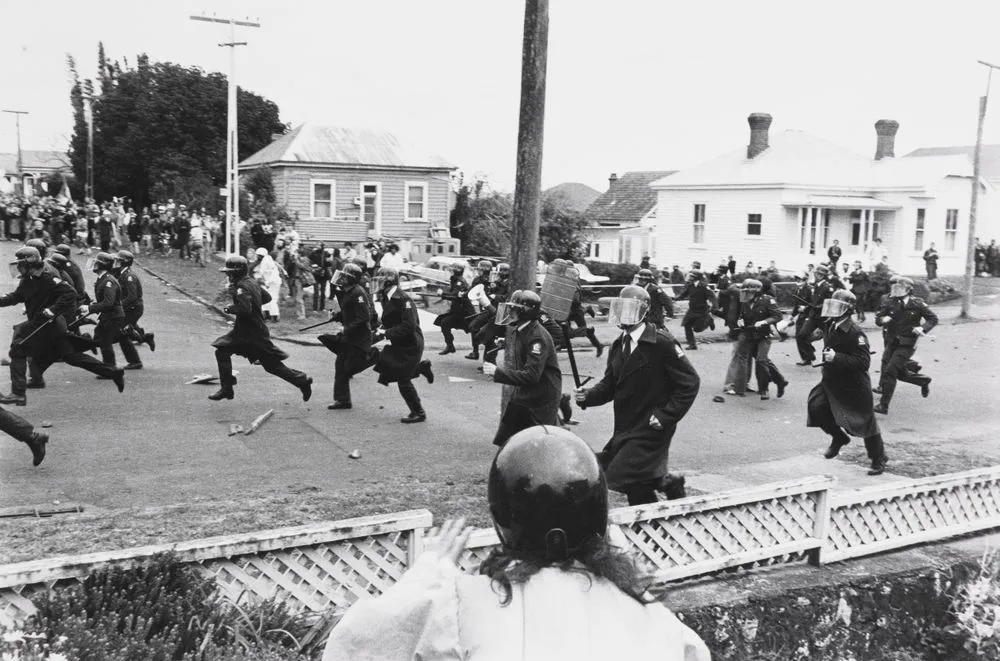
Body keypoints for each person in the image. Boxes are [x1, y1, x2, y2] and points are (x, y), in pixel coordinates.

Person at [321, 426, 711, 661]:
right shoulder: (650, 616)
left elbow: (357, 647)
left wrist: (429, 571)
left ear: (504, 517)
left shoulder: (463, 604)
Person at [575, 285, 700, 505]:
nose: (624, 315)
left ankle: (654, 505)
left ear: (644, 312)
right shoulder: (619, 344)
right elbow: (610, 384)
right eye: (621, 309)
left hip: (653, 425)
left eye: (630, 310)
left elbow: (690, 383)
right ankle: (668, 486)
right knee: (636, 481)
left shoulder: (662, 342)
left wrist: (665, 416)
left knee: (618, 475)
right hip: (627, 425)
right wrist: (589, 396)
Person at [0, 247, 124, 406]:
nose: (19, 268)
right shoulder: (30, 277)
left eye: (21, 264)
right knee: (71, 356)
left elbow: (70, 293)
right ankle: (114, 372)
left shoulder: (48, 276)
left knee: (17, 349)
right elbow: (17, 296)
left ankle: (18, 393)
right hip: (46, 324)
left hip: (48, 324)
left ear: (30, 263)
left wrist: (53, 310)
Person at [207, 255, 313, 402]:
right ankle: (227, 388)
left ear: (237, 272)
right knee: (223, 351)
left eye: (230, 272)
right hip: (249, 330)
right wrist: (253, 302)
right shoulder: (251, 282)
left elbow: (245, 309)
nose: (228, 275)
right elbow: (267, 298)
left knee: (271, 366)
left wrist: (230, 308)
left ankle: (302, 381)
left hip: (252, 333)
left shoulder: (242, 286)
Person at [808, 290, 888, 476]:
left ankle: (878, 458)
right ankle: (839, 438)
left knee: (865, 423)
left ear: (847, 310)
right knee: (816, 407)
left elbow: (863, 363)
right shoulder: (830, 324)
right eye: (832, 304)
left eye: (837, 306)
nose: (832, 309)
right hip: (831, 379)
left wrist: (837, 357)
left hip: (853, 384)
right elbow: (814, 327)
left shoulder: (855, 332)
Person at [483, 290, 562, 446]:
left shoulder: (537, 337)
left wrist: (498, 373)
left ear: (525, 312)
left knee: (539, 443)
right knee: (507, 438)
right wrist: (504, 342)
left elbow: (532, 375)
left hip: (540, 396)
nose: (510, 312)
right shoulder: (523, 329)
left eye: (514, 309)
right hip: (526, 394)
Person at [371, 267, 434, 423]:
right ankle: (421, 367)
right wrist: (380, 328)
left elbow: (408, 326)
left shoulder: (403, 299)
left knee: (403, 380)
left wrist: (386, 333)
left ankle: (418, 412)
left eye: (381, 278)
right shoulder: (387, 296)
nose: (377, 281)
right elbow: (391, 319)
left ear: (389, 280)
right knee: (392, 368)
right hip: (401, 341)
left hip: (412, 343)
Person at [873, 277, 936, 415]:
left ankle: (884, 405)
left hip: (907, 344)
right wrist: (882, 320)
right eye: (895, 288)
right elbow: (878, 318)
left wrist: (922, 329)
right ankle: (924, 381)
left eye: (900, 288)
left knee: (890, 371)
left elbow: (933, 319)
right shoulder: (890, 302)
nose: (896, 291)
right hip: (892, 342)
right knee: (900, 374)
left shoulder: (917, 303)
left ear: (908, 290)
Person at [724, 279, 786, 400]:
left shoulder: (767, 300)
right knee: (748, 358)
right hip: (749, 334)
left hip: (763, 335)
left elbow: (778, 316)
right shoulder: (746, 301)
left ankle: (764, 389)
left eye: (747, 291)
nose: (744, 294)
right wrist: (740, 320)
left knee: (761, 361)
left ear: (756, 291)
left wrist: (764, 322)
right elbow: (742, 315)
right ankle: (740, 387)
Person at [85, 251, 130, 371]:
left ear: (102, 265)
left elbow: (108, 303)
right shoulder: (103, 279)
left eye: (97, 263)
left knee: (105, 341)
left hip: (113, 316)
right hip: (109, 315)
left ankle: (110, 368)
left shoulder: (108, 281)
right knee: (99, 336)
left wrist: (90, 308)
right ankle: (128, 334)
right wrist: (94, 305)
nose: (94, 265)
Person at [114, 250, 155, 365]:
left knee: (121, 333)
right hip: (130, 308)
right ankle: (145, 338)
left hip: (134, 309)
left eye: (118, 261)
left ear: (124, 262)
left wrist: (118, 305)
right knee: (122, 331)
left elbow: (132, 297)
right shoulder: (122, 274)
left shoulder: (129, 277)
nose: (115, 262)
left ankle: (135, 361)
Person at [795, 264, 839, 366]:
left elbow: (829, 302)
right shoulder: (814, 286)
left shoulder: (828, 287)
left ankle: (826, 361)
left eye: (818, 274)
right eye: (816, 273)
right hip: (813, 316)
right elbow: (811, 301)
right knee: (801, 335)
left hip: (824, 318)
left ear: (822, 275)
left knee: (827, 341)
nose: (816, 275)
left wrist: (818, 307)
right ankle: (809, 357)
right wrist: (806, 308)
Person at [433, 263, 472, 355]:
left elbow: (455, 295)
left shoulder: (460, 282)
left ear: (456, 271)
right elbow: (450, 291)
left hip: (465, 313)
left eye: (451, 270)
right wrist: (443, 293)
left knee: (476, 332)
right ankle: (450, 346)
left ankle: (476, 351)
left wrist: (442, 294)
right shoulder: (455, 280)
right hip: (457, 312)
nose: (449, 272)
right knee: (444, 322)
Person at [675, 269, 715, 350]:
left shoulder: (704, 286)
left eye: (692, 276)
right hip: (692, 310)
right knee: (687, 325)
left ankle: (709, 320)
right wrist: (674, 298)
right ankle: (692, 344)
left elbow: (712, 297)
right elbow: (683, 295)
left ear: (696, 277)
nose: (690, 278)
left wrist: (714, 306)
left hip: (702, 311)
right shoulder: (690, 286)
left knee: (697, 329)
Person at [252, 247, 282, 321]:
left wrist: (266, 282)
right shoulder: (264, 261)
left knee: (272, 299)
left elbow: (272, 274)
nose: (257, 257)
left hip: (273, 283)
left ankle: (275, 317)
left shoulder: (267, 261)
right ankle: (267, 315)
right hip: (267, 283)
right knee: (265, 299)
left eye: (259, 255)